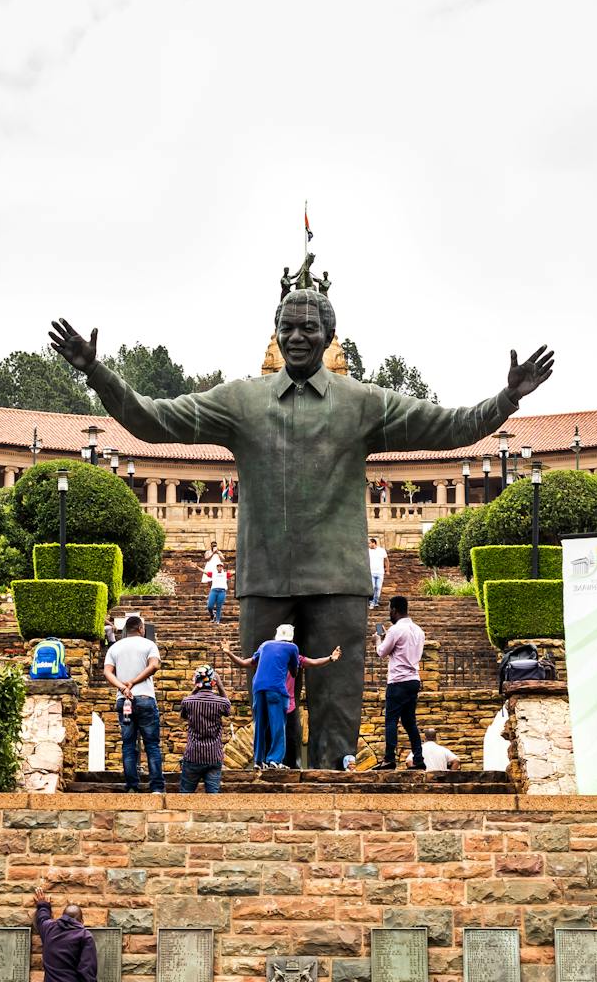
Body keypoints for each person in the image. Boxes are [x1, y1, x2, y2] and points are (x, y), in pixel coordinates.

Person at [48, 291, 554, 768]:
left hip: (337, 580)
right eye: (287, 327)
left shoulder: (363, 403)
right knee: (269, 710)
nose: (296, 336)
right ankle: (276, 800)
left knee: (338, 715)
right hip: (266, 577)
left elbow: (449, 427)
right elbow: (153, 420)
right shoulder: (241, 401)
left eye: (308, 328)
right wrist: (97, 372)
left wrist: (507, 397)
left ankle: (334, 812)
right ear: (275, 333)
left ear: (329, 335)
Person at [226, 624, 340, 768]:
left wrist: (228, 652)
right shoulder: (292, 648)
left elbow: (244, 663)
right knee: (278, 726)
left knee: (260, 725)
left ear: (276, 635)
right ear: (291, 637)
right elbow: (299, 667)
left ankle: (258, 760)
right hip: (277, 690)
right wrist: (330, 658)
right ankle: (275, 759)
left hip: (258, 688)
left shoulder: (265, 646)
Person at [103, 613, 164, 793]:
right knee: (151, 744)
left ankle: (131, 787)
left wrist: (123, 687)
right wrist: (134, 682)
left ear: (125, 630)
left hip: (125, 701)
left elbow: (108, 673)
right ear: (140, 628)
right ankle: (157, 788)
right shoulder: (149, 644)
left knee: (128, 744)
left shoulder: (115, 648)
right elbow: (154, 666)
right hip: (145, 699)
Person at [374, 595, 425, 771]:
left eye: (390, 609)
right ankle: (418, 759)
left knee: (391, 720)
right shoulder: (419, 630)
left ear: (394, 610)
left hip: (398, 681)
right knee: (410, 721)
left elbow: (381, 652)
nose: (389, 612)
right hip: (413, 680)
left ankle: (389, 759)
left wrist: (378, 639)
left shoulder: (395, 630)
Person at [178, 664, 231, 794]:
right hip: (213, 756)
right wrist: (220, 685)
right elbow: (228, 708)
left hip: (193, 755)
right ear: (213, 682)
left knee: (184, 796)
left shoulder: (188, 702)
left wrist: (194, 690)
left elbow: (182, 715)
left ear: (196, 681)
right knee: (213, 798)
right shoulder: (221, 703)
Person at [33, 888, 98, 982]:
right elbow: (87, 972)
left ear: (62, 916)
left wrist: (43, 905)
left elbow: (42, 919)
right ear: (82, 921)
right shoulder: (85, 936)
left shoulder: (49, 929)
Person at [202, 543, 229, 624]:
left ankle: (217, 619)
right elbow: (206, 559)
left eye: (215, 545)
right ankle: (212, 593)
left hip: (218, 566)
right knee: (209, 579)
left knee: (217, 579)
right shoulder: (208, 552)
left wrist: (218, 553)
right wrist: (213, 553)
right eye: (213, 545)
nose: (214, 546)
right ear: (210, 545)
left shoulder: (219, 552)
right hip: (210, 566)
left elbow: (223, 559)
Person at [367, 537, 387, 608]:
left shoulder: (382, 550)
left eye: (369, 543)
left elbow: (386, 560)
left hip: (380, 573)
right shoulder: (367, 551)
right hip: (371, 572)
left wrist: (387, 569)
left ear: (373, 543)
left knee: (378, 588)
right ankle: (371, 601)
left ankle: (376, 602)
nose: (368, 544)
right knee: (372, 587)